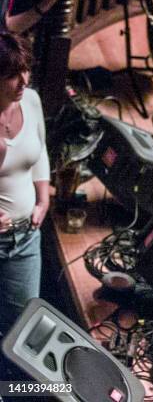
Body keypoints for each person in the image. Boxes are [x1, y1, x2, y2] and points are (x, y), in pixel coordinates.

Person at [0, 32, 50, 337]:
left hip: (25, 239)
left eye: (25, 70)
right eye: (12, 75)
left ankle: (11, 388)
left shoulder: (30, 100)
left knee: (21, 330)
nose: (23, 81)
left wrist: (43, 197)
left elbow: (39, 149)